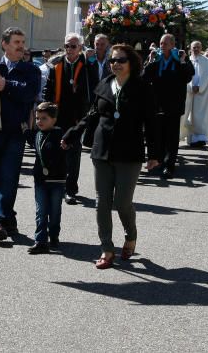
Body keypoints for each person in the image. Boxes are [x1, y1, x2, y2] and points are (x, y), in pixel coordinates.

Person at [71, 44, 157, 269]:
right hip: (102, 150)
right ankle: (107, 249)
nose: (116, 64)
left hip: (129, 152)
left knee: (122, 202)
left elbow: (151, 122)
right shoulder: (104, 83)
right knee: (101, 202)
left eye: (121, 60)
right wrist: (73, 134)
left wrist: (155, 154)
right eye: (112, 60)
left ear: (132, 63)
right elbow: (92, 114)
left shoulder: (142, 87)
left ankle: (130, 235)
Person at [0, 27, 41, 241]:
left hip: (14, 132)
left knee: (9, 178)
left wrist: (7, 85)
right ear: (4, 44)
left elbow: (29, 93)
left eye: (22, 42)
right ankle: (8, 217)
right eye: (16, 42)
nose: (21, 46)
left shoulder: (31, 70)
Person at [42, 33, 94, 204]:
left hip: (76, 118)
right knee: (57, 152)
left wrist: (85, 117)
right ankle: (58, 186)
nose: (69, 49)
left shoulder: (87, 66)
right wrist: (46, 110)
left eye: (73, 46)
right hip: (57, 116)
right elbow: (48, 90)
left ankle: (71, 189)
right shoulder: (55, 65)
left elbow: (91, 93)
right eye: (66, 46)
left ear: (80, 48)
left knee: (73, 154)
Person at [142, 34, 194, 180]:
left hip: (174, 104)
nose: (162, 46)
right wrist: (151, 60)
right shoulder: (155, 57)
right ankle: (157, 162)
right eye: (160, 43)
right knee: (157, 135)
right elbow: (145, 76)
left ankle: (169, 166)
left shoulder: (180, 57)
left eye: (165, 44)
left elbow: (189, 76)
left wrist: (183, 61)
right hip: (157, 103)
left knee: (171, 137)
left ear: (172, 45)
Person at [26, 102, 70, 255]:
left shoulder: (60, 135)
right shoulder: (37, 135)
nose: (39, 121)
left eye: (44, 118)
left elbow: (67, 146)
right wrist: (26, 128)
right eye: (37, 118)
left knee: (55, 211)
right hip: (40, 180)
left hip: (57, 181)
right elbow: (30, 137)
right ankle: (40, 240)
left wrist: (67, 144)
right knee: (41, 211)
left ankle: (54, 235)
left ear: (54, 120)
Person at [182, 41, 208, 147]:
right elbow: (184, 74)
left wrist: (200, 87)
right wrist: (191, 86)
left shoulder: (206, 61)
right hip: (189, 91)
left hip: (202, 93)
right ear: (190, 48)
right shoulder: (186, 60)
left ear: (201, 48)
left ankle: (200, 138)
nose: (196, 49)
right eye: (194, 47)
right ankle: (190, 138)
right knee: (187, 115)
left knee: (199, 116)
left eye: (198, 47)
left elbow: (207, 75)